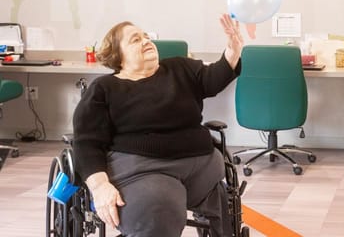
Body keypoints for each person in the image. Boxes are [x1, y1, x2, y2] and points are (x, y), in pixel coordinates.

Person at [73, 14, 243, 237]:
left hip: (201, 168)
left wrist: (234, 48)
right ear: (118, 56)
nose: (146, 41)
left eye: (146, 36)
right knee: (161, 208)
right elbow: (87, 141)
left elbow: (215, 76)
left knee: (188, 199)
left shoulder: (179, 68)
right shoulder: (105, 88)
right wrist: (99, 186)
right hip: (145, 170)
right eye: (135, 39)